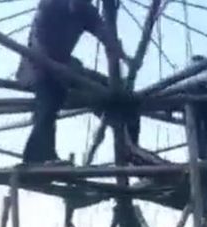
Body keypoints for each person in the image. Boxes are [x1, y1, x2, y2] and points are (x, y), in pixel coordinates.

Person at [16, 0, 131, 164]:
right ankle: (37, 157)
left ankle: (130, 147)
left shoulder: (86, 11)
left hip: (66, 66)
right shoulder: (50, 5)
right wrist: (55, 68)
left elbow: (106, 37)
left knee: (115, 94)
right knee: (51, 99)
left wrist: (125, 58)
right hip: (36, 65)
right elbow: (37, 41)